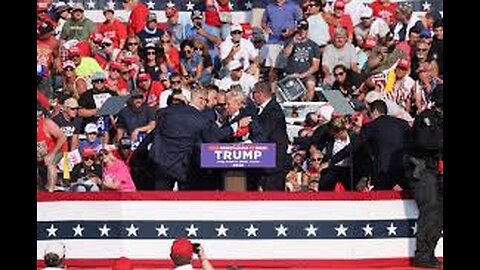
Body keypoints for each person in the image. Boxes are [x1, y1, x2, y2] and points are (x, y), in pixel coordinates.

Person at [148, 88, 251, 190]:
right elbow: (213, 138)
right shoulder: (201, 119)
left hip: (161, 161)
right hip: (184, 166)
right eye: (206, 101)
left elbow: (158, 128)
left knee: (160, 200)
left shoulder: (168, 112)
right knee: (187, 201)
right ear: (201, 100)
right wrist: (236, 125)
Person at [327, 100, 412, 190]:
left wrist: (332, 160)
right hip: (404, 169)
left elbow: (353, 147)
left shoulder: (371, 126)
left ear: (374, 111)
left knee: (380, 200)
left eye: (369, 112)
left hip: (383, 172)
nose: (368, 115)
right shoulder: (403, 124)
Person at [407, 91, 443, 269]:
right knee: (431, 207)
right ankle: (423, 254)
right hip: (422, 168)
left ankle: (429, 251)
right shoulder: (426, 118)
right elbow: (426, 142)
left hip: (436, 169)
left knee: (438, 211)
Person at [251, 82, 289, 191]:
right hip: (264, 162)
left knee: (273, 196)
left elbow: (263, 132)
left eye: (254, 93)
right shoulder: (260, 109)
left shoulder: (273, 110)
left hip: (274, 163)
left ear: (260, 94)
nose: (252, 96)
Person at [282, 19, 320, 101]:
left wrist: (302, 75)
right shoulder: (289, 42)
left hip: (306, 74)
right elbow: (285, 55)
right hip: (291, 74)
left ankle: (307, 105)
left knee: (311, 84)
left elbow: (315, 66)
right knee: (290, 87)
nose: (302, 32)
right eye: (300, 29)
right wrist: (292, 43)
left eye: (304, 29)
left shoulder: (313, 45)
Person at [37, 107, 67, 192]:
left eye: (39, 117)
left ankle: (51, 190)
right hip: (42, 152)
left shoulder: (47, 124)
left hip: (58, 149)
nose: (38, 120)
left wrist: (52, 153)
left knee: (50, 161)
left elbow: (62, 138)